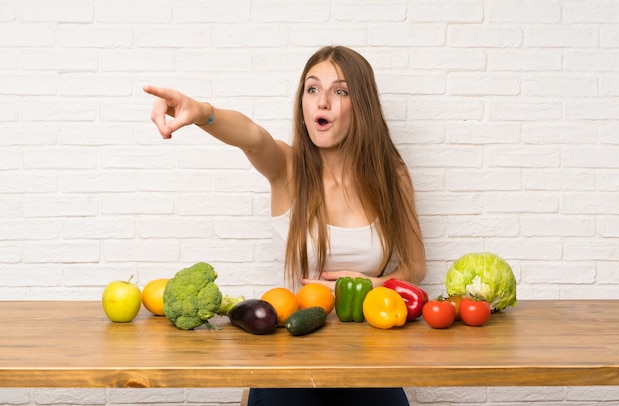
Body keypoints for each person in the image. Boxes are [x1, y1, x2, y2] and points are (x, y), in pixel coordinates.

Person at [145, 45, 427, 406]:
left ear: (363, 106)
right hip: (292, 355)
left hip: (370, 356)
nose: (322, 102)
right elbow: (252, 136)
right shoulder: (288, 169)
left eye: (339, 91)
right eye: (312, 89)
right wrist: (203, 113)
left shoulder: (392, 176)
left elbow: (416, 267)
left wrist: (369, 285)